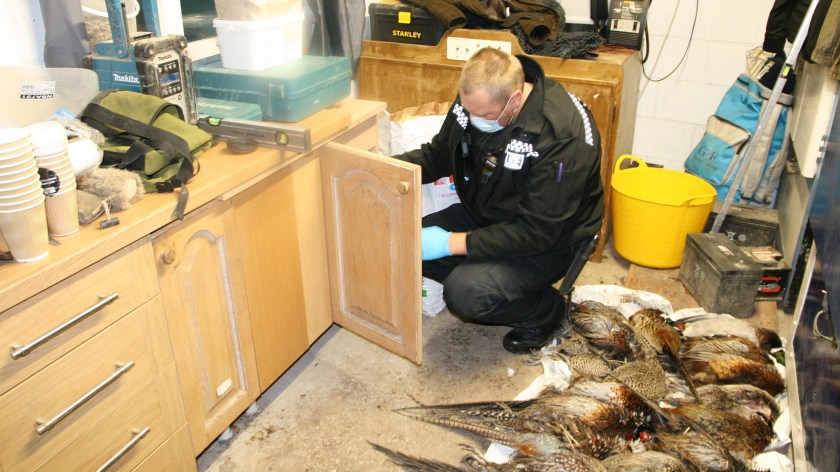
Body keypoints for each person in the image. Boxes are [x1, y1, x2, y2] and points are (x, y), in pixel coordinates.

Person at [394, 47, 604, 354]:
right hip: (491, 208)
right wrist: (384, 171)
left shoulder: (562, 137)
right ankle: (493, 278)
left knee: (467, 295)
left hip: (552, 238)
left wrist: (451, 243)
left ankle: (548, 310)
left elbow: (536, 231)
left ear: (515, 99)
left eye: (486, 115)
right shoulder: (477, 101)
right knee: (404, 241)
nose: (474, 119)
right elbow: (439, 155)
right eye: (469, 111)